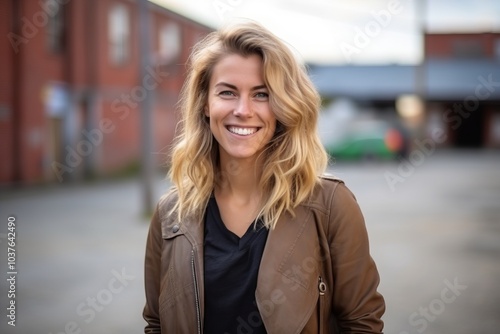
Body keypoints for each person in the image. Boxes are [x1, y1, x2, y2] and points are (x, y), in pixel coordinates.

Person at [143, 21, 385, 333]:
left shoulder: (330, 206)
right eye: (228, 92)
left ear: (284, 106)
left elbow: (362, 324)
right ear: (205, 103)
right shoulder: (169, 216)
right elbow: (156, 323)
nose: (243, 110)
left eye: (261, 94)